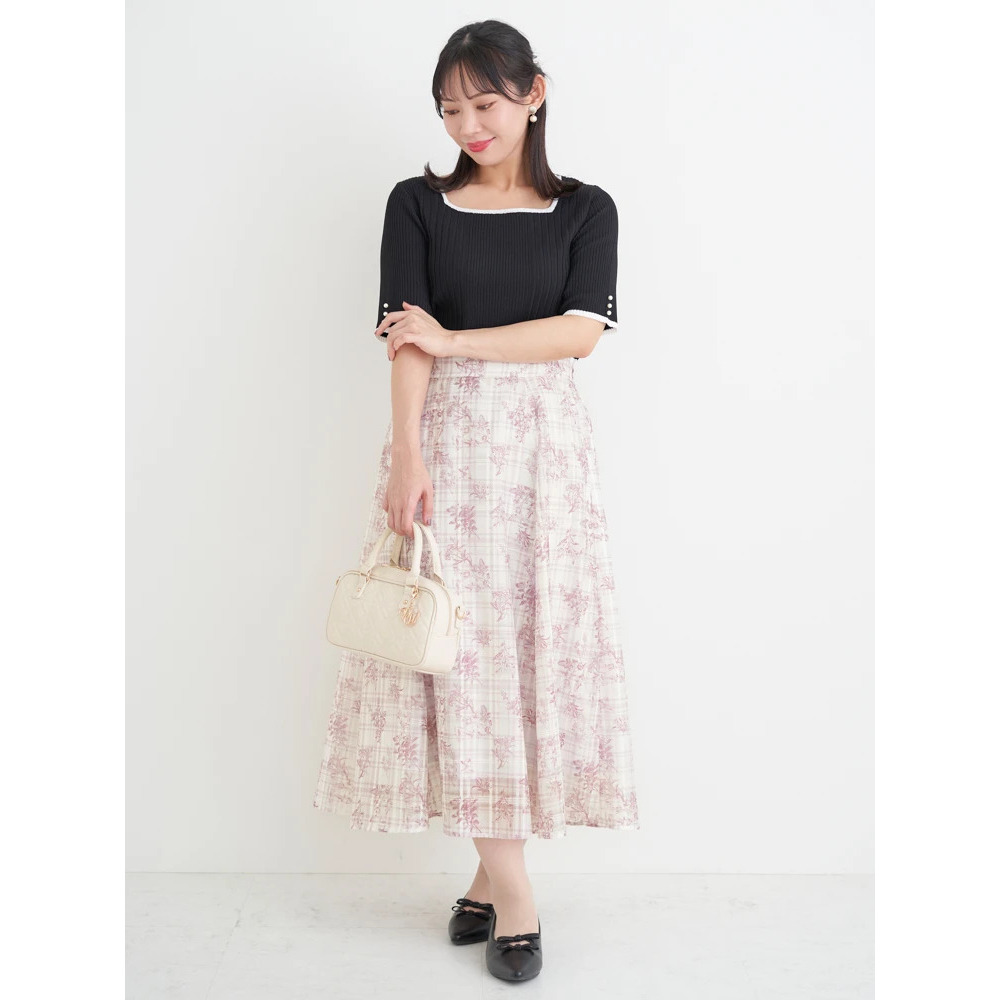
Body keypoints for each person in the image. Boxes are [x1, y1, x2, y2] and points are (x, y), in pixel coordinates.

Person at [313, 19, 640, 982]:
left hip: (544, 460)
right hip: (447, 451)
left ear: (533, 93)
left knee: (525, 655)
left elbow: (578, 334)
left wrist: (455, 339)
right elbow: (405, 338)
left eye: (485, 103)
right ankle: (517, 895)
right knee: (462, 660)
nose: (468, 125)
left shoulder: (586, 210)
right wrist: (406, 455)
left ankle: (487, 879)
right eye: (450, 109)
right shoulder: (417, 203)